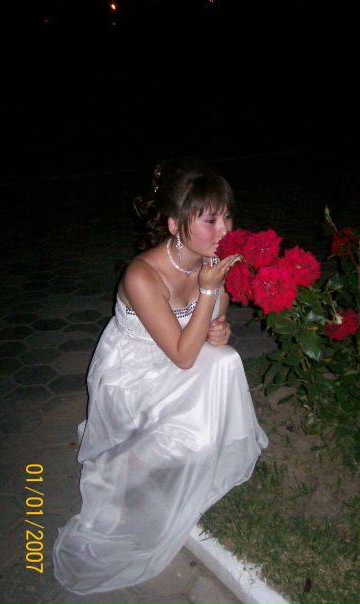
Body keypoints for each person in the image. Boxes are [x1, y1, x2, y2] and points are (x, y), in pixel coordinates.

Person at [52, 156, 268, 594]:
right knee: (190, 431)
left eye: (227, 216)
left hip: (175, 356)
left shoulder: (209, 256)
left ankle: (177, 454)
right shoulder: (142, 275)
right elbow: (184, 357)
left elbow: (214, 319)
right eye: (210, 220)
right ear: (175, 225)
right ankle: (124, 466)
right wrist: (208, 289)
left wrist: (219, 327)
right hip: (132, 377)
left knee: (226, 361)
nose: (224, 230)